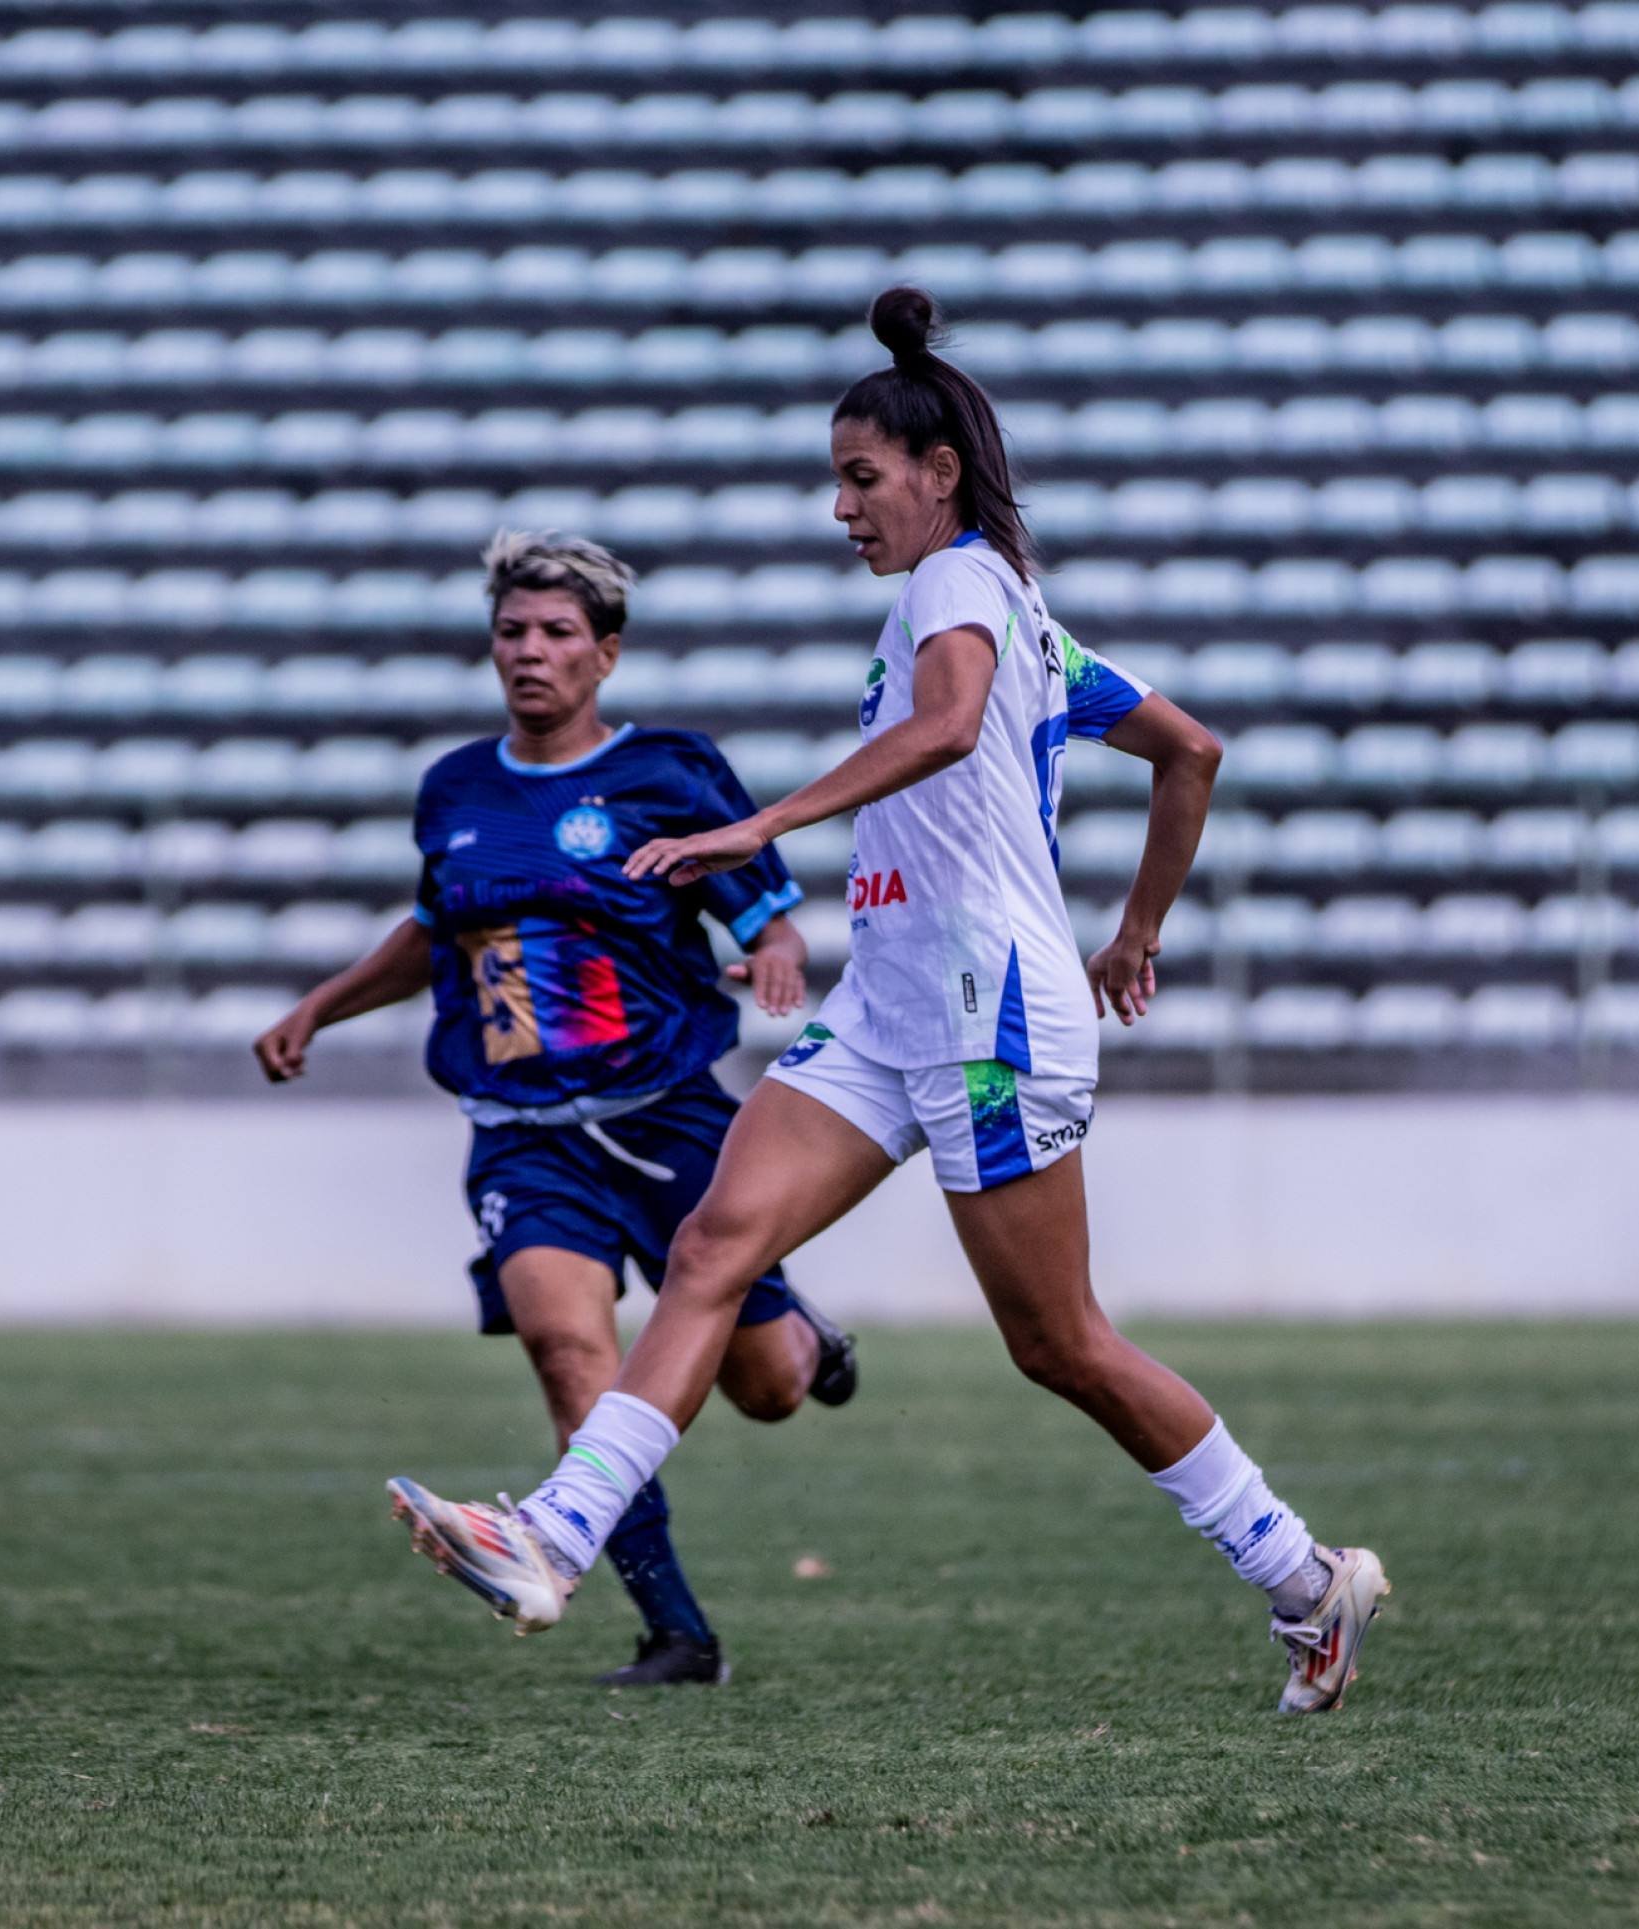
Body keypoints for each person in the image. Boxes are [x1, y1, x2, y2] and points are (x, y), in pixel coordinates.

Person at [387, 291, 1390, 1715]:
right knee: (714, 1248)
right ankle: (553, 1534)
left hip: (988, 1012)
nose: (842, 507)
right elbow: (1191, 750)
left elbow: (949, 728)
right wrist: (1135, 928)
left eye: (861, 478)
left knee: (1060, 1343)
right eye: (838, 479)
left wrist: (760, 828)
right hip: (890, 1002)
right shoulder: (1021, 615)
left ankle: (1304, 1579)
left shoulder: (959, 585)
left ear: (938, 474)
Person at [260, 530, 860, 1688]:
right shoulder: (454, 790)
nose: (529, 652)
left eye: (555, 634)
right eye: (512, 632)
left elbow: (765, 913)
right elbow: (438, 935)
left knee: (768, 1390)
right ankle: (675, 1633)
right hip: (522, 1134)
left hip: (671, 1114)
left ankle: (803, 1334)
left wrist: (778, 954)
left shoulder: (667, 774)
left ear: (605, 655)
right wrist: (322, 1007)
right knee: (565, 1347)